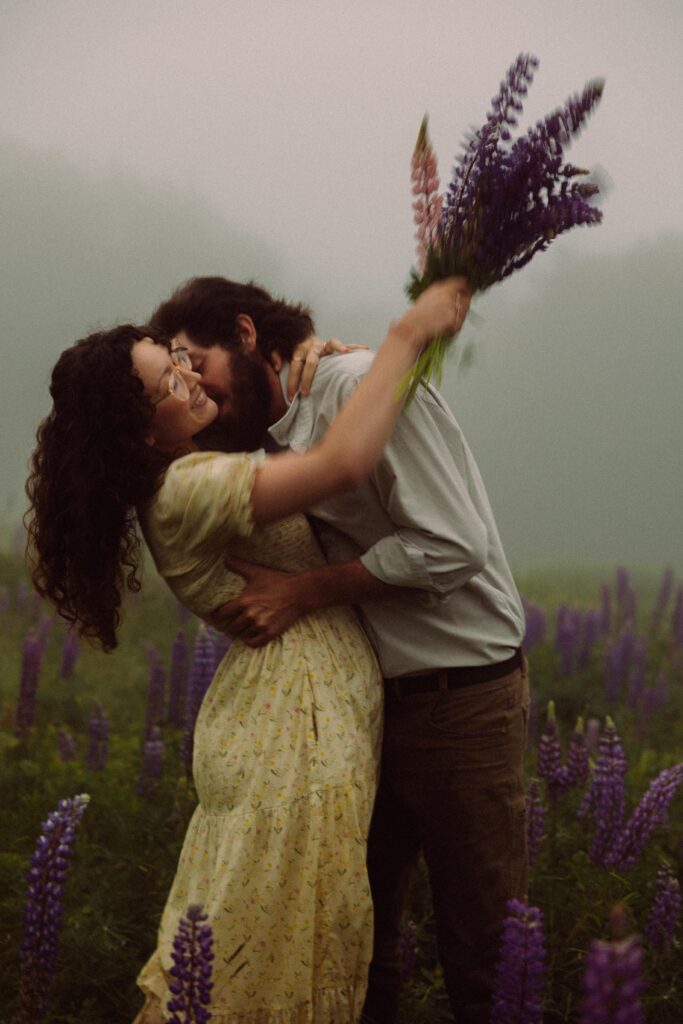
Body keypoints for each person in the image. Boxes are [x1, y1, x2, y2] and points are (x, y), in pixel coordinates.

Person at [25, 278, 468, 1024]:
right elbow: (340, 465)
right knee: (267, 956)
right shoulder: (187, 490)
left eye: (177, 359)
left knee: (283, 942)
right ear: (139, 429)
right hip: (292, 739)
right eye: (168, 379)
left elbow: (284, 415)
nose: (190, 374)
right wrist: (405, 337)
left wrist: (314, 352)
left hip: (286, 723)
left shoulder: (191, 467)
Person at [150, 276, 529, 1024]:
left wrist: (308, 589)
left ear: (246, 334)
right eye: (178, 373)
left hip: (460, 697)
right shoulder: (254, 437)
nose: (193, 383)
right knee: (358, 948)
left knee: (486, 955)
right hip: (361, 716)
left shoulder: (356, 384)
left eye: (196, 360)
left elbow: (453, 546)